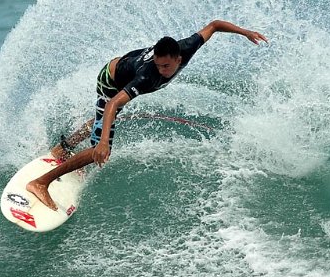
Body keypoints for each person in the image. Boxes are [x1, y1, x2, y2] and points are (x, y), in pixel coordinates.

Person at [26, 20, 268, 209]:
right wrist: (102, 143)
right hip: (109, 82)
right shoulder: (146, 77)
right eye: (158, 65)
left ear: (179, 58)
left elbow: (214, 25)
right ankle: (40, 183)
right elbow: (112, 104)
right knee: (101, 146)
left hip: (122, 65)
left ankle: (63, 148)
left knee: (104, 123)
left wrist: (245, 32)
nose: (162, 70)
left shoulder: (187, 46)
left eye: (166, 66)